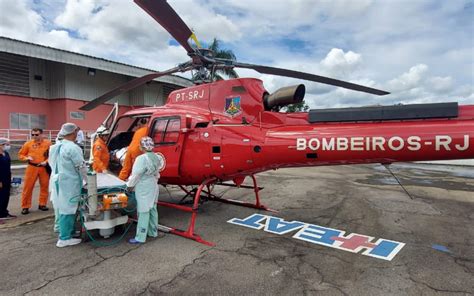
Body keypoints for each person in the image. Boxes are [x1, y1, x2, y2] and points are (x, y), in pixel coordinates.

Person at [50, 123, 87, 247]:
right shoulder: (72, 148)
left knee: (62, 206)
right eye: (76, 131)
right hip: (69, 182)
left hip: (59, 180)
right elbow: (81, 166)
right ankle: (64, 238)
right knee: (68, 208)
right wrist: (88, 179)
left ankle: (67, 232)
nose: (77, 134)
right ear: (73, 132)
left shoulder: (58, 146)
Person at [126, 136, 161, 244]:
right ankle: (153, 232)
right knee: (153, 208)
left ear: (141, 147)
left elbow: (135, 175)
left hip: (144, 187)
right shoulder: (156, 157)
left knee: (143, 211)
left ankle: (140, 237)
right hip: (153, 185)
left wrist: (129, 186)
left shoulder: (141, 159)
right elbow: (157, 174)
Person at [18, 128, 51, 214]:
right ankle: (25, 206)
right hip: (32, 167)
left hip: (43, 168)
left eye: (36, 134)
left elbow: (52, 155)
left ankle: (42, 204)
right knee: (28, 187)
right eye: (32, 135)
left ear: (41, 134)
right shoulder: (28, 144)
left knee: (44, 186)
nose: (34, 136)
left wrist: (46, 162)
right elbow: (21, 154)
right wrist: (26, 158)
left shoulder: (48, 143)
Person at [48, 134, 63, 233]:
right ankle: (60, 227)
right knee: (60, 206)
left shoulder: (54, 149)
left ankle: (58, 226)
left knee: (58, 206)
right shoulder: (61, 150)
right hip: (60, 181)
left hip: (57, 181)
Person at [0, 138, 16, 220]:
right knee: (1, 196)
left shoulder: (6, 153)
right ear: (1, 145)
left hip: (7, 177)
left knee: (6, 196)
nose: (8, 146)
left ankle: (4, 212)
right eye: (6, 144)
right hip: (1, 179)